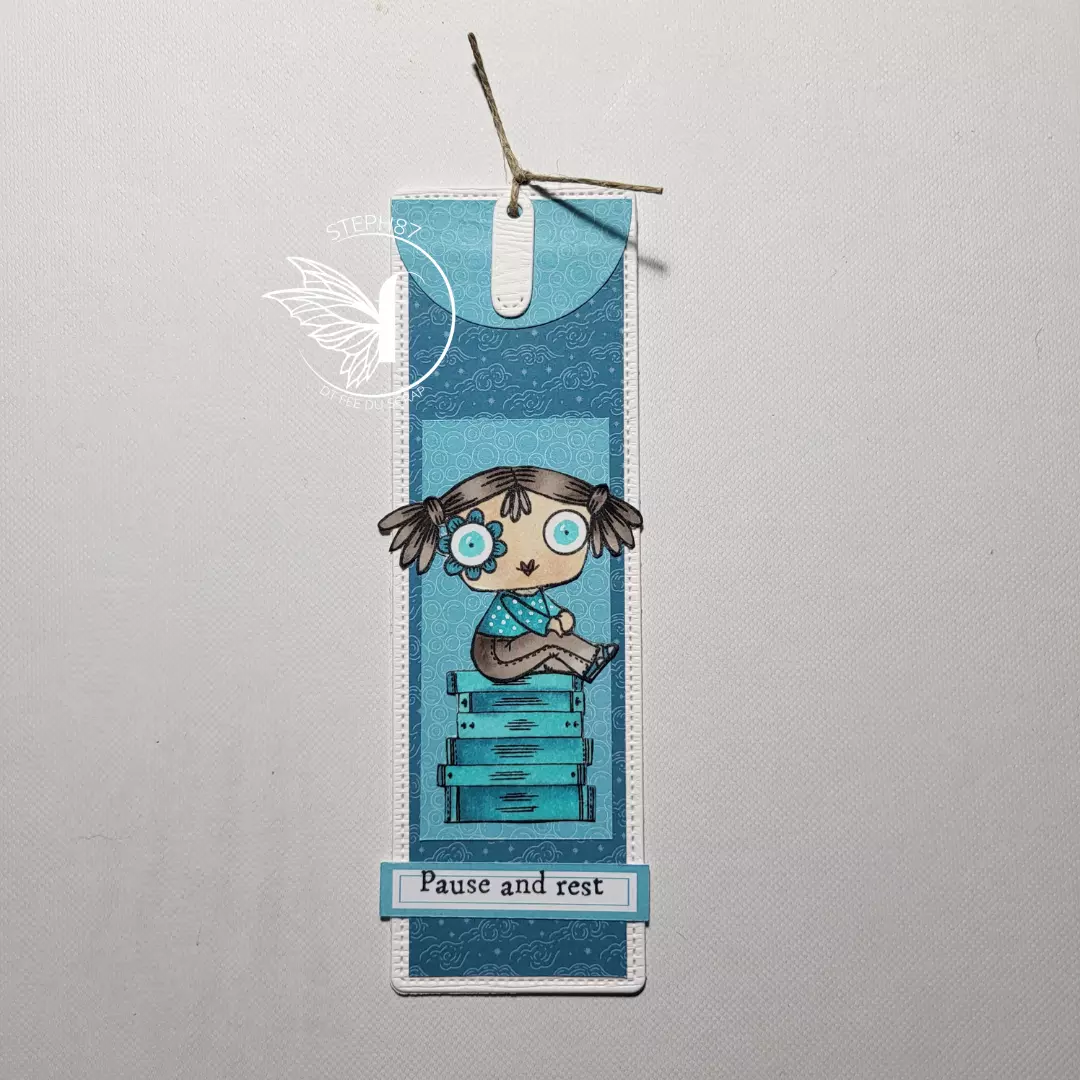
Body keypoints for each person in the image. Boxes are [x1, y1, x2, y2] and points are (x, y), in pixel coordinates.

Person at [377, 466, 643, 682]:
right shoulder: (508, 600)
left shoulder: (533, 594)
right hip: (493, 653)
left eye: (564, 532)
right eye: (475, 543)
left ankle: (582, 667)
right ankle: (591, 656)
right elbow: (528, 616)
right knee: (549, 639)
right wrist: (550, 625)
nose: (527, 562)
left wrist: (560, 615)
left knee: (551, 650)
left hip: (513, 649)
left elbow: (545, 608)